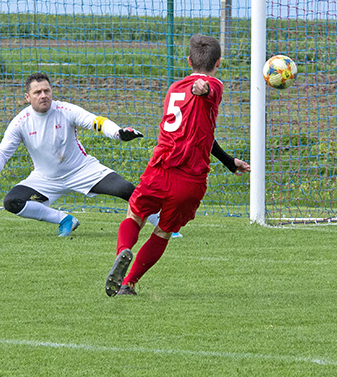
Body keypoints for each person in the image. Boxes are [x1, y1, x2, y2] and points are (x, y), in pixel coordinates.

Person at [105, 34, 251, 296]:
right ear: (218, 62)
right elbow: (207, 90)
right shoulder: (215, 85)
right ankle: (128, 283)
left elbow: (202, 131)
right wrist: (203, 89)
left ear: (188, 61)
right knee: (163, 232)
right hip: (190, 179)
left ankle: (123, 250)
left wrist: (229, 161)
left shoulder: (174, 88)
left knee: (135, 215)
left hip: (160, 169)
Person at [0, 72, 144, 236]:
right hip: (45, 179)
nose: (43, 95)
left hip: (82, 170)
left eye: (46, 91)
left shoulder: (65, 110)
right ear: (27, 97)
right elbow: (3, 151)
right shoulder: (20, 122)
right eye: (37, 92)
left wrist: (117, 133)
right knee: (12, 202)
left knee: (127, 189)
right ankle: (65, 220)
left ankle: (160, 225)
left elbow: (95, 121)